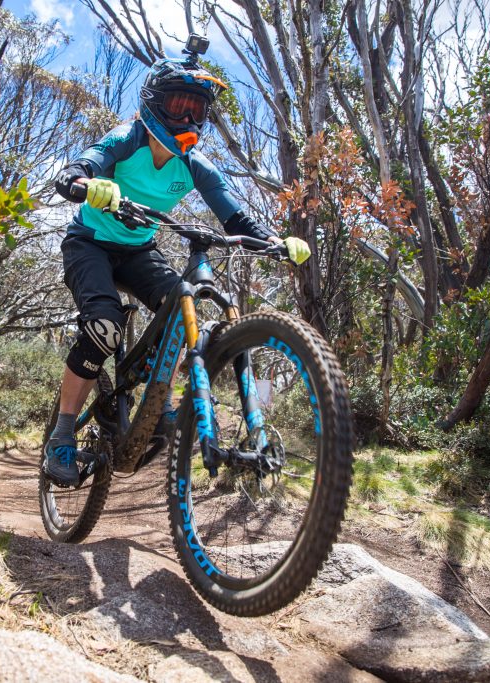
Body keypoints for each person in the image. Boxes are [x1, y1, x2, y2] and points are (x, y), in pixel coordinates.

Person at [45, 54, 310, 487]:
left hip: (137, 249)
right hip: (89, 244)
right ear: (154, 101)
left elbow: (236, 219)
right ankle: (61, 434)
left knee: (181, 303)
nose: (188, 116)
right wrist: (82, 181)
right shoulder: (126, 139)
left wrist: (275, 242)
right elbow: (83, 164)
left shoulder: (194, 164)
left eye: (198, 109)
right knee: (103, 326)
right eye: (178, 105)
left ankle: (154, 395)